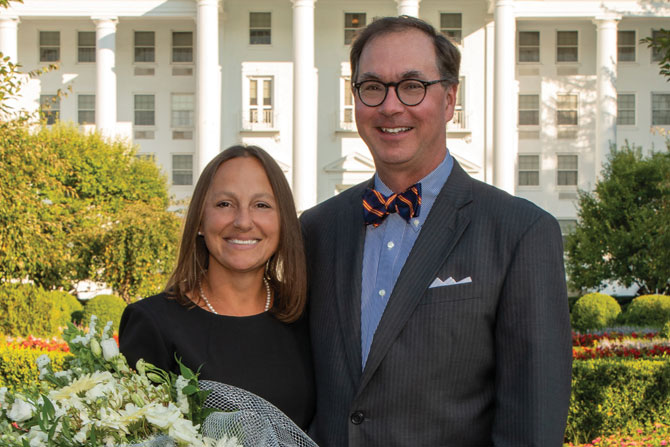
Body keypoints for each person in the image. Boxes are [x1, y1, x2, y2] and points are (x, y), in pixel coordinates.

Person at [300, 16, 572, 446]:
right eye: (372, 87)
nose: (391, 106)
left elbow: (532, 424)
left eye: (412, 86)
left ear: (449, 100)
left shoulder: (520, 233)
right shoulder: (317, 230)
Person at [119, 145, 315, 430]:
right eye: (225, 204)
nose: (243, 222)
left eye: (261, 205)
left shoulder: (308, 316)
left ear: (283, 221)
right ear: (200, 220)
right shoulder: (152, 324)